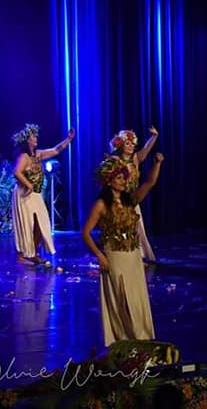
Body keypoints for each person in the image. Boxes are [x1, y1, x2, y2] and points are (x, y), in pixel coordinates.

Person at [81, 153, 165, 345]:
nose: (124, 181)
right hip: (114, 257)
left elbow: (150, 183)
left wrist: (157, 163)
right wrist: (99, 255)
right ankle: (123, 338)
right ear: (109, 180)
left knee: (135, 297)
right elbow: (85, 233)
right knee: (121, 298)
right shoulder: (101, 205)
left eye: (124, 177)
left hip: (133, 256)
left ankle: (140, 336)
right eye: (119, 178)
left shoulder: (130, 200)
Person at [11, 124, 75, 265]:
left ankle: (33, 253)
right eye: (33, 136)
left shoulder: (38, 154)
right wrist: (29, 185)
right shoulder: (24, 157)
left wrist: (68, 139)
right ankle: (22, 256)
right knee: (26, 224)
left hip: (36, 194)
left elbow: (55, 150)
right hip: (24, 194)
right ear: (27, 140)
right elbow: (17, 172)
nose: (36, 138)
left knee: (41, 223)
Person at [108, 126, 159, 262]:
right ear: (120, 145)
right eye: (127, 143)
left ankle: (139, 255)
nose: (131, 146)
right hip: (118, 200)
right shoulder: (114, 160)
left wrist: (154, 136)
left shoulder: (136, 158)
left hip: (132, 198)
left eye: (132, 143)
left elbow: (147, 149)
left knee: (137, 227)